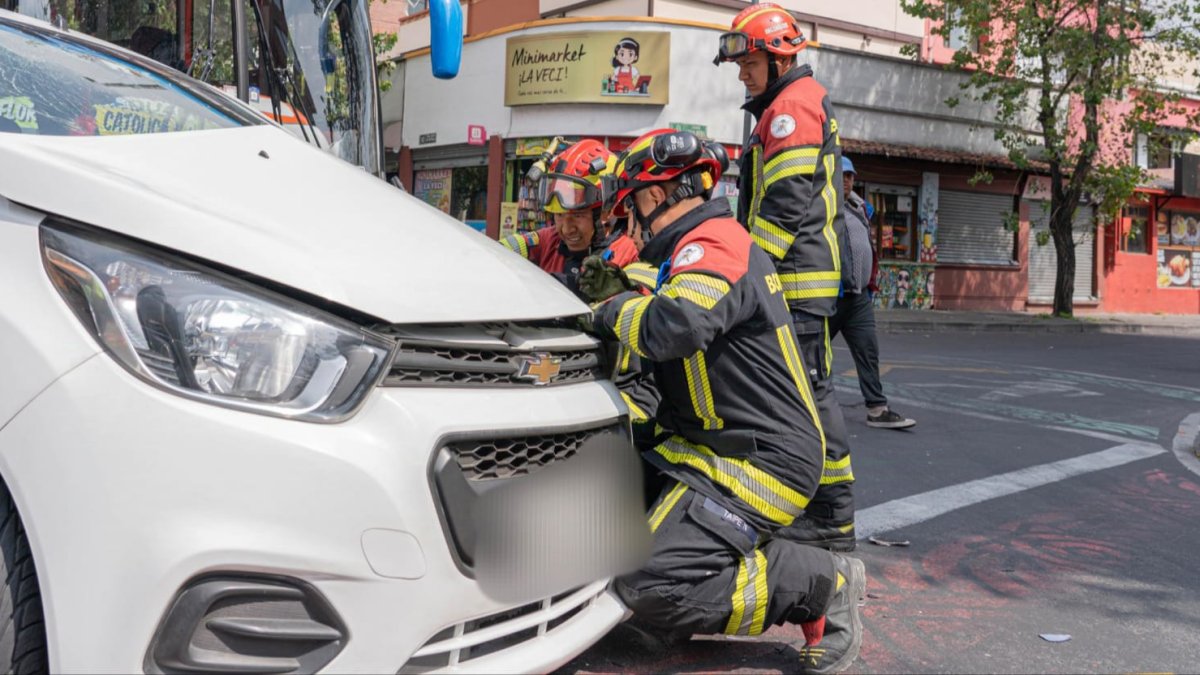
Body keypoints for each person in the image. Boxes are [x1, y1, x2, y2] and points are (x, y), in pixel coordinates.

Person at [581, 128, 865, 674]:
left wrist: (611, 312)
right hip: (713, 448)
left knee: (648, 581)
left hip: (759, 462)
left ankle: (821, 584)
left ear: (653, 197)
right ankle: (682, 580)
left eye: (629, 209)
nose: (629, 226)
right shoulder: (696, 248)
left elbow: (676, 325)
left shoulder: (714, 241)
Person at [715, 3, 856, 552]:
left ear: (779, 57)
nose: (743, 74)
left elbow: (784, 204)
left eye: (750, 63)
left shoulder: (790, 110)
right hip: (795, 285)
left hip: (795, 287)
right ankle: (818, 514)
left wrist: (749, 275)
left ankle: (831, 520)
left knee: (811, 400)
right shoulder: (788, 104)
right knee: (802, 398)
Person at [834, 158, 916, 430]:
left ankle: (877, 409)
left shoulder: (859, 208)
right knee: (809, 355)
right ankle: (798, 408)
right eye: (841, 174)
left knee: (869, 351)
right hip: (830, 297)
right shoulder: (822, 207)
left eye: (850, 176)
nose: (846, 180)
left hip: (858, 298)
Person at [500, 139, 640, 296]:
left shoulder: (631, 252)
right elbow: (495, 251)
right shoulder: (548, 240)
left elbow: (646, 302)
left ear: (607, 211)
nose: (566, 229)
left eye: (578, 215)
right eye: (559, 215)